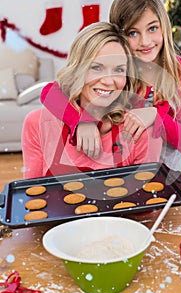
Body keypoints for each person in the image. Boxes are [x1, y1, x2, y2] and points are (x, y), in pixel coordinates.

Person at [40, 0, 181, 175]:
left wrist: (156, 117)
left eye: (152, 28)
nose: (145, 41)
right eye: (133, 33)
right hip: (122, 179)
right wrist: (82, 121)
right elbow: (49, 92)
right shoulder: (117, 71)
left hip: (169, 182)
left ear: (164, 27)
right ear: (119, 35)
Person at [22, 22, 162, 179]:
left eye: (119, 70)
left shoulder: (139, 132)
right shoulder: (38, 124)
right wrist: (82, 120)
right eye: (96, 67)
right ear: (77, 70)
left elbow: (145, 200)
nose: (109, 81)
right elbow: (32, 195)